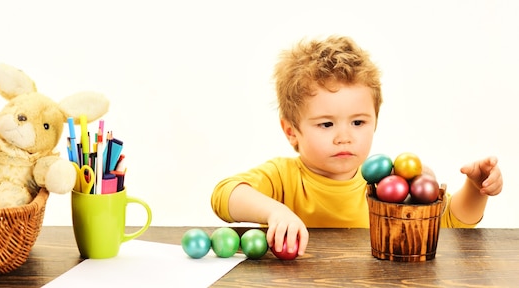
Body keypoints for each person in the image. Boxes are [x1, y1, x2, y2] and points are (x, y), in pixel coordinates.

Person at [210, 35, 504, 257]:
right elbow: (224, 194)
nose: (344, 137)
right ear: (291, 132)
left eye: (358, 123)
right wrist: (275, 212)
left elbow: (450, 221)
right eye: (326, 124)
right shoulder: (283, 177)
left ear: (375, 121)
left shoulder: (391, 185)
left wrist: (476, 189)